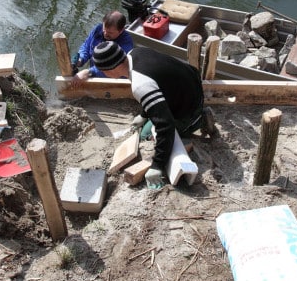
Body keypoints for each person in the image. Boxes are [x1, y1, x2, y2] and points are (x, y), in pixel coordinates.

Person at [91, 41, 216, 189]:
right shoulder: (135, 53)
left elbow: (166, 126)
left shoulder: (140, 84)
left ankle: (199, 119)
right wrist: (144, 115)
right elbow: (159, 82)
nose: (104, 74)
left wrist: (157, 165)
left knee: (156, 134)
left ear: (111, 69)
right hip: (189, 83)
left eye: (103, 70)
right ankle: (193, 117)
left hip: (190, 103)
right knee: (144, 133)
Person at [69, 10, 134, 84]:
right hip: (94, 75)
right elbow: (86, 46)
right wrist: (81, 59)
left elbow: (113, 67)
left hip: (114, 82)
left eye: (110, 33)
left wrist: (88, 72)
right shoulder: (98, 29)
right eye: (104, 30)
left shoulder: (126, 42)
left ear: (121, 30)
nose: (105, 34)